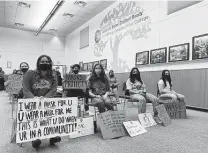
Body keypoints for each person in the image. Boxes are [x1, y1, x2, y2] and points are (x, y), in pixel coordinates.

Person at [23, 55, 61, 148]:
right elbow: (26, 89)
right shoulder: (30, 73)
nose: (44, 63)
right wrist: (34, 98)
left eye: (46, 61)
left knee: (50, 117)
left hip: (47, 100)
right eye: (42, 61)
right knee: (34, 118)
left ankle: (52, 136)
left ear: (50, 63)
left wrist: (45, 98)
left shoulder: (53, 74)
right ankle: (35, 138)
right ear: (38, 63)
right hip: (31, 100)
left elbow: (54, 88)